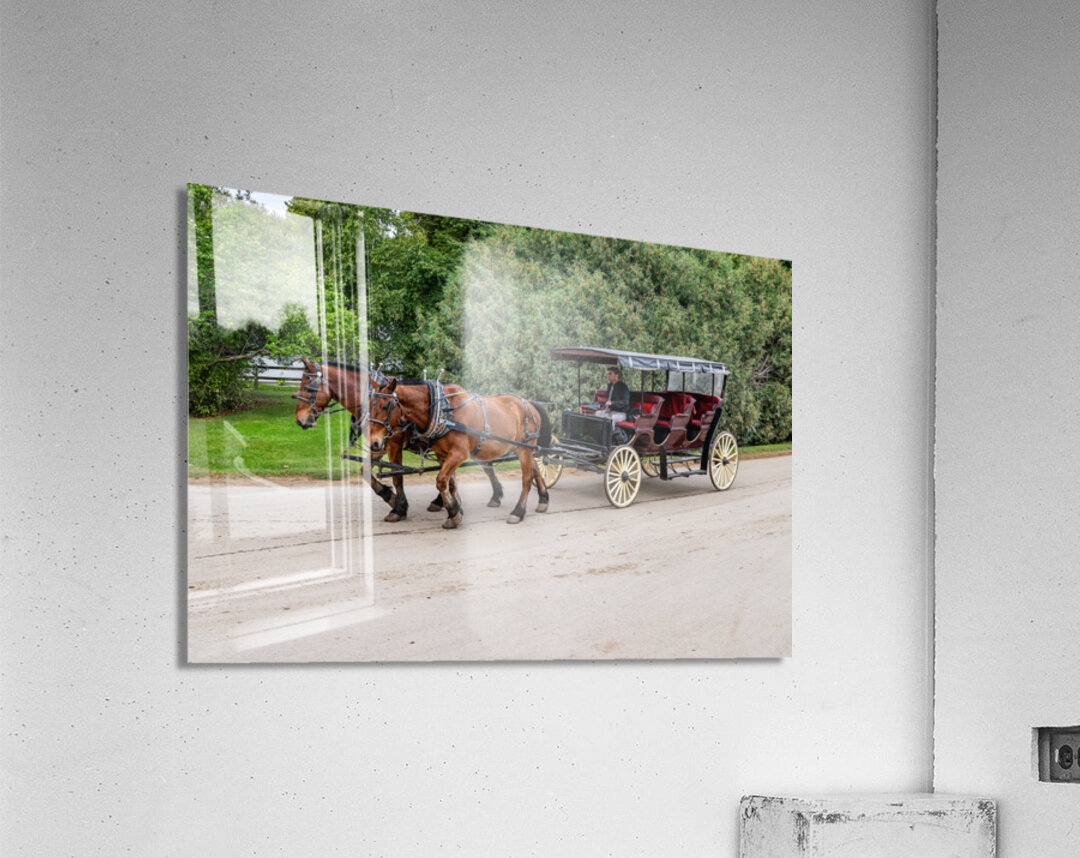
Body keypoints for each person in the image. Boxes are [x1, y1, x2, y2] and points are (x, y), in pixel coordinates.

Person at [598, 366, 631, 439]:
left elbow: (625, 402)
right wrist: (601, 405)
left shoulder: (623, 387)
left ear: (616, 375)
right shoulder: (610, 386)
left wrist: (612, 403)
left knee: (610, 419)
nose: (608, 375)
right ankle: (598, 436)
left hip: (621, 413)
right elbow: (608, 401)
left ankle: (608, 439)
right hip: (611, 411)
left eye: (610, 373)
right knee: (597, 414)